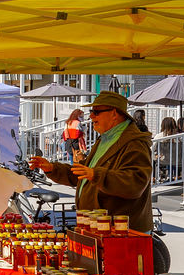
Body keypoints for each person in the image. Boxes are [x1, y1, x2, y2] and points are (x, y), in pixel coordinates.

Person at [30, 91, 153, 232]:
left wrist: (95, 175)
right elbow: (84, 173)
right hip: (100, 227)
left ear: (114, 113)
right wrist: (52, 168)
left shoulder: (134, 143)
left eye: (96, 111)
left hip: (122, 232)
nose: (91, 116)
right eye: (91, 111)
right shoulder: (106, 139)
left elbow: (135, 183)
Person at [155, 116, 180, 181]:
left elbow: (151, 148)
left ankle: (153, 177)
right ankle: (174, 175)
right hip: (177, 159)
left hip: (163, 159)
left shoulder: (159, 136)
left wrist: (155, 156)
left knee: (153, 159)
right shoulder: (179, 137)